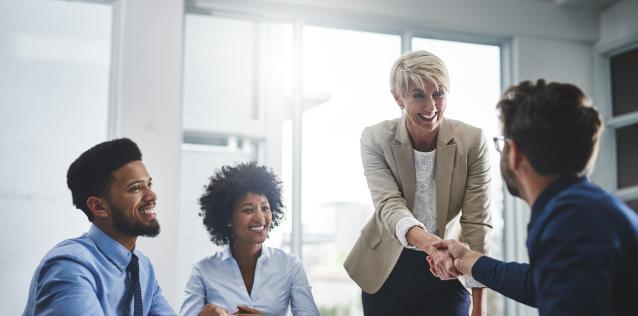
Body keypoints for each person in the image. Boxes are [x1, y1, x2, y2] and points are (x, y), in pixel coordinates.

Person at [431, 80, 638, 315]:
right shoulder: (586, 208)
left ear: (515, 153)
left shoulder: (569, 220)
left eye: (503, 144)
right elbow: (540, 283)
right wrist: (470, 260)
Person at [343, 50, 492, 316]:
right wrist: (430, 245)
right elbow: (389, 204)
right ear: (397, 97)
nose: (431, 106)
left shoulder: (472, 142)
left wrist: (479, 306)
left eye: (439, 93)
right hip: (386, 270)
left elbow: (476, 224)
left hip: (448, 269)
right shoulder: (375, 138)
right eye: (418, 95)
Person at [23, 138, 176, 315]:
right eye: (135, 188)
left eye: (149, 184)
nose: (152, 195)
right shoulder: (70, 267)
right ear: (98, 207)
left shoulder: (142, 267)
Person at [180, 162, 319, 316]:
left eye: (265, 208)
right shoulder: (203, 271)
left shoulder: (291, 267)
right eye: (248, 210)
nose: (260, 218)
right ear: (228, 218)